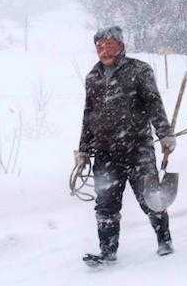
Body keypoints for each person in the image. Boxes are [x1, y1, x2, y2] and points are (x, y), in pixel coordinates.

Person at [74, 26, 176, 264]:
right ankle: (108, 251)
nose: (104, 50)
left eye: (109, 45)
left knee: (150, 198)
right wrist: (84, 149)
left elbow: (153, 103)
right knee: (106, 204)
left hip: (137, 147)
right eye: (100, 46)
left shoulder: (139, 70)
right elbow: (89, 114)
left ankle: (164, 240)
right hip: (105, 151)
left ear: (121, 46)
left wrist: (164, 134)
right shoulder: (93, 77)